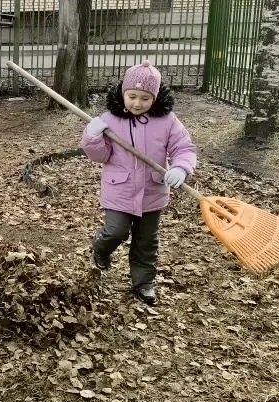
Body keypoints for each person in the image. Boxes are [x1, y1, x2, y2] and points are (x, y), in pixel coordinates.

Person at [80, 61, 197, 306]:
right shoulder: (110, 119)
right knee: (116, 231)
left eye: (145, 98)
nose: (137, 103)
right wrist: (92, 137)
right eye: (132, 96)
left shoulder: (167, 121)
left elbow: (183, 148)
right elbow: (100, 156)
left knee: (146, 241)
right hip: (119, 190)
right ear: (123, 92)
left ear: (154, 97)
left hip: (152, 193)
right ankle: (101, 248)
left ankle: (143, 283)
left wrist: (180, 167)